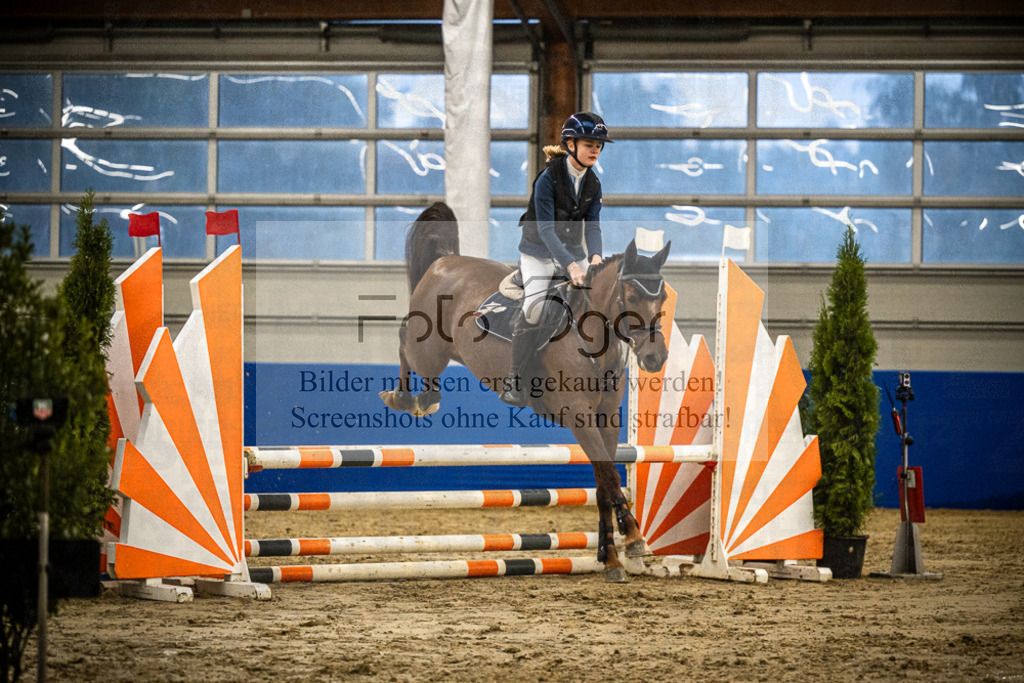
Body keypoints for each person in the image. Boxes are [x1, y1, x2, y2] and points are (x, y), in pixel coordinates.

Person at [499, 112, 611, 407]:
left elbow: (593, 226)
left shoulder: (593, 184)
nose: (595, 150)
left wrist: (596, 257)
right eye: (590, 143)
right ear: (570, 144)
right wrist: (571, 265)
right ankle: (514, 379)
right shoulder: (547, 180)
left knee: (599, 298)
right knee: (535, 309)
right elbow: (546, 230)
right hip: (539, 252)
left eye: (599, 145)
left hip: (573, 252)